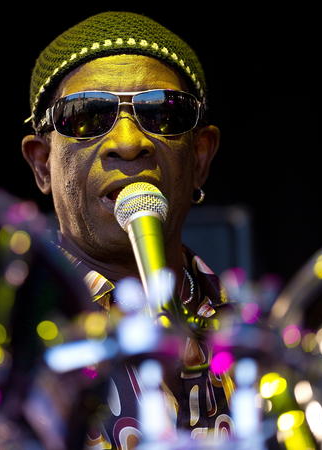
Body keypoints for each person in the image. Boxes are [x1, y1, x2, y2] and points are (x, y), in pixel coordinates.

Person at [22, 11, 233, 448]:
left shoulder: (253, 336)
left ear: (199, 158)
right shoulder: (8, 338)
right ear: (43, 164)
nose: (128, 142)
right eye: (86, 117)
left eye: (162, 114)